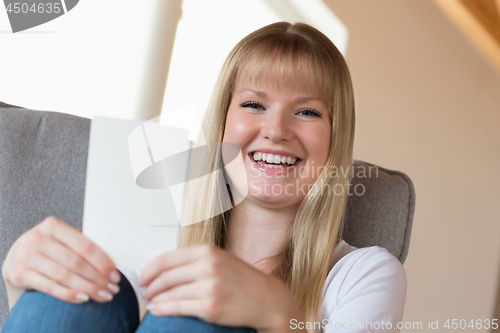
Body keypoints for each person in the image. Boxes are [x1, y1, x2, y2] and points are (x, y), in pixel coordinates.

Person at [1, 22, 406, 333]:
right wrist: (21, 286)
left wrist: (277, 315)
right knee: (72, 302)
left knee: (194, 320)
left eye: (307, 111)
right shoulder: (143, 232)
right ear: (222, 124)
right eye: (253, 104)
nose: (277, 129)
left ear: (336, 138)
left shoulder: (363, 273)